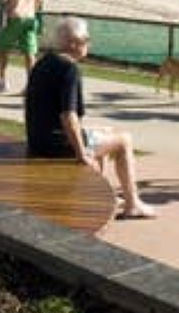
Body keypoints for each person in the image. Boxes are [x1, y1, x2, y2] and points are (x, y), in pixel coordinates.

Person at [25, 16, 156, 219]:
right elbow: (68, 116)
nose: (89, 44)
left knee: (108, 132)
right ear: (73, 43)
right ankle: (133, 204)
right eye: (87, 39)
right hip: (59, 145)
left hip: (39, 141)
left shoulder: (44, 62)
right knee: (124, 140)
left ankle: (98, 195)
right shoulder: (69, 69)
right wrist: (81, 153)